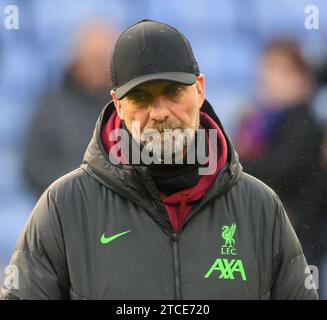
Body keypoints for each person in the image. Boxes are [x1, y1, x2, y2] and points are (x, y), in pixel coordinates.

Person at [0, 19, 318, 300]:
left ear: (199, 90)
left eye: (173, 91)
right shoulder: (63, 208)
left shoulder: (261, 209)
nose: (160, 112)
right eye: (140, 97)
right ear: (118, 105)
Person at [233, 39, 325, 267]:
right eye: (267, 69)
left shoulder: (304, 124)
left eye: (281, 70)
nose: (270, 79)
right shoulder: (265, 121)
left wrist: (233, 161)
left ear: (302, 79)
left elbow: (278, 171)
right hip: (269, 236)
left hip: (298, 239)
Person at [23, 21, 116, 196]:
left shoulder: (127, 106)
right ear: (78, 59)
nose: (101, 67)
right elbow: (32, 166)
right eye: (95, 59)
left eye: (107, 60)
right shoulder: (52, 105)